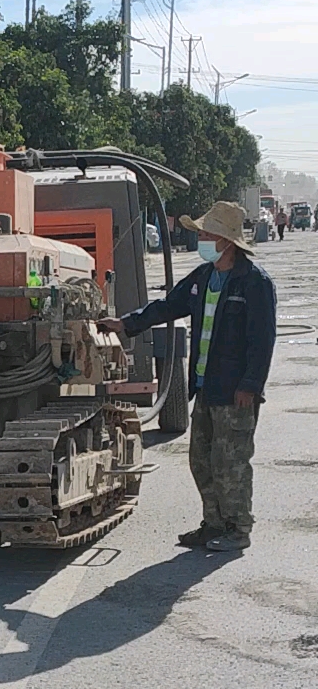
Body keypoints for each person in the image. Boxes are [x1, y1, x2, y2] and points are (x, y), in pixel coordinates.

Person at [101, 200, 276, 554]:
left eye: (207, 233)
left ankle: (238, 528)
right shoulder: (204, 277)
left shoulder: (254, 283)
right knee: (202, 461)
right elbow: (168, 305)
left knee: (231, 464)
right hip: (207, 386)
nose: (201, 239)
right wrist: (126, 323)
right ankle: (213, 523)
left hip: (235, 391)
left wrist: (251, 386)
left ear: (226, 241)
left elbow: (263, 341)